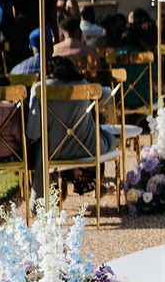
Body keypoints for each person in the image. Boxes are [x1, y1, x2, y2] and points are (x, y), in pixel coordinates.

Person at [26, 56, 115, 199]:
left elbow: (33, 133)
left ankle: (51, 194)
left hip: (54, 152)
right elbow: (107, 94)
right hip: (90, 149)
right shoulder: (83, 84)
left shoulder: (39, 89)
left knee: (41, 148)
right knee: (104, 135)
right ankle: (97, 185)